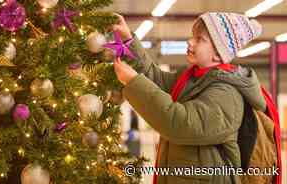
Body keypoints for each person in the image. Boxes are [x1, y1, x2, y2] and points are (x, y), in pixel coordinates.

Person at [112, 12, 268, 183]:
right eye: (192, 37)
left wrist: (134, 82)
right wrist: (128, 41)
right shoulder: (192, 78)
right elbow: (156, 80)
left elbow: (180, 122)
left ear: (218, 53)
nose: (190, 42)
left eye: (199, 39)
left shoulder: (226, 93)